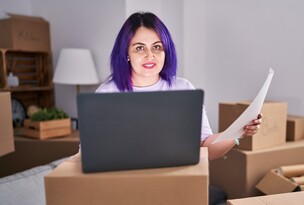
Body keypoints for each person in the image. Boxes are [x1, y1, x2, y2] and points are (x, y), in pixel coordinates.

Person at [96, 11, 262, 161]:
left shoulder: (183, 88)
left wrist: (238, 132)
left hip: (176, 180)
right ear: (126, 54)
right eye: (140, 48)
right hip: (124, 182)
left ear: (165, 51)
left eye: (157, 47)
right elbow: (91, 153)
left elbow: (206, 149)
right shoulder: (107, 93)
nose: (150, 55)